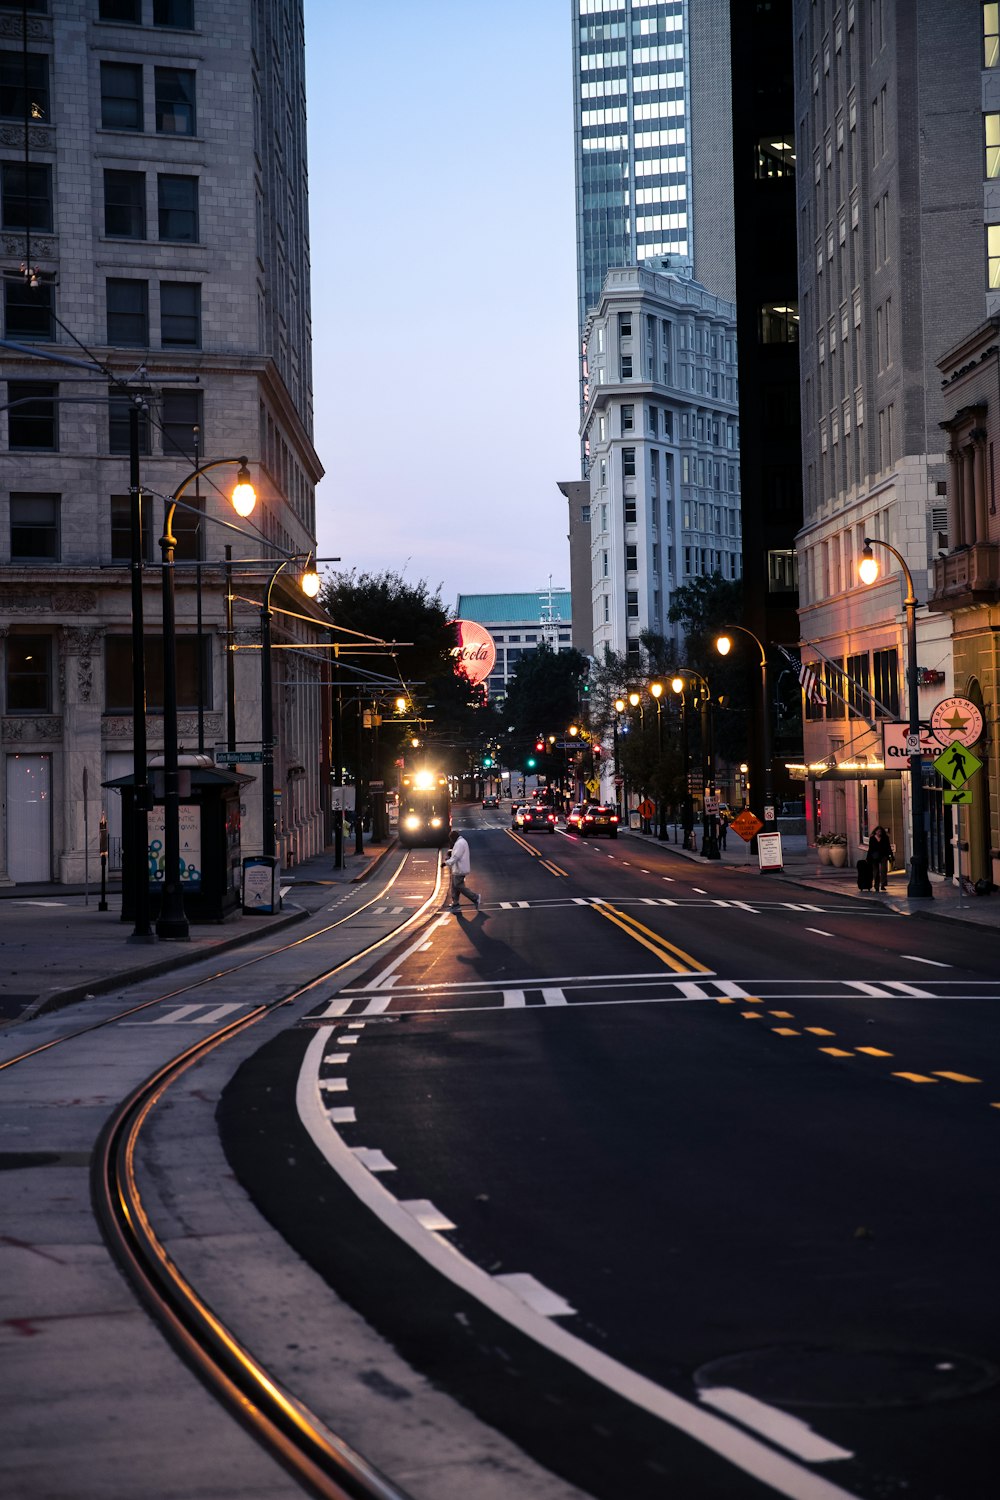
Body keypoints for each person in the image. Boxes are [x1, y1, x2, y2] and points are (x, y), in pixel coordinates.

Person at [444, 829, 481, 911]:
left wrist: (446, 863)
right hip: (457, 869)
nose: (451, 840)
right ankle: (455, 903)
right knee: (454, 887)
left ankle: (475, 897)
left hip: (460, 869)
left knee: (458, 886)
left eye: (451, 839)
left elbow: (456, 857)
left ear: (454, 837)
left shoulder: (460, 843)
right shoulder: (459, 842)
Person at [866, 824, 893, 891]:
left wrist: (890, 856)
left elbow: (888, 847)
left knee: (884, 870)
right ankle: (876, 885)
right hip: (875, 856)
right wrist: (868, 857)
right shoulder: (872, 838)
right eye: (878, 831)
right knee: (876, 871)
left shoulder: (885, 838)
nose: (879, 833)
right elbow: (870, 848)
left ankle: (883, 884)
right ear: (875, 832)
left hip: (883, 856)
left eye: (880, 832)